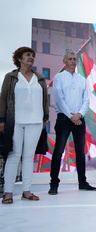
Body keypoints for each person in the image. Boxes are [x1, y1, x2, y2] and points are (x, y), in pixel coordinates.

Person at [0, 47, 49, 204]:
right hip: (15, 121)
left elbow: (45, 100)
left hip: (35, 121)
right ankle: (8, 192)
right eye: (28, 55)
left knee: (28, 157)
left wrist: (45, 118)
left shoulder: (40, 78)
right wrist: (2, 120)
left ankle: (26, 191)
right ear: (19, 58)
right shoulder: (11, 77)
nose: (31, 57)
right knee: (14, 155)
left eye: (33, 55)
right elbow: (2, 99)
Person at [48, 50, 96, 195]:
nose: (73, 61)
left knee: (80, 153)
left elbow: (86, 99)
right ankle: (54, 184)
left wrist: (79, 114)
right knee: (58, 152)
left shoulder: (82, 79)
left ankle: (82, 182)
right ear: (64, 61)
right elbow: (59, 99)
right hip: (64, 118)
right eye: (70, 59)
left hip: (79, 118)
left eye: (74, 59)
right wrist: (71, 116)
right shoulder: (59, 77)